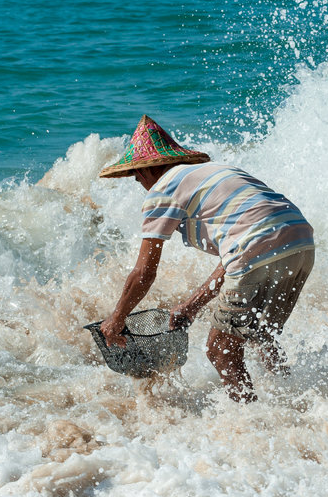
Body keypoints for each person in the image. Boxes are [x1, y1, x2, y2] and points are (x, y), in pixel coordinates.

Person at [98, 115, 315, 402]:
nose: (139, 181)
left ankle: (250, 421)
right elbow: (239, 249)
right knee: (260, 334)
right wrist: (192, 306)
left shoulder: (163, 188)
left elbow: (143, 273)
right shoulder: (214, 171)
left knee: (219, 348)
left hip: (257, 246)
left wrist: (117, 319)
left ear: (151, 168)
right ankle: (295, 402)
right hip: (301, 244)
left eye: (137, 174)